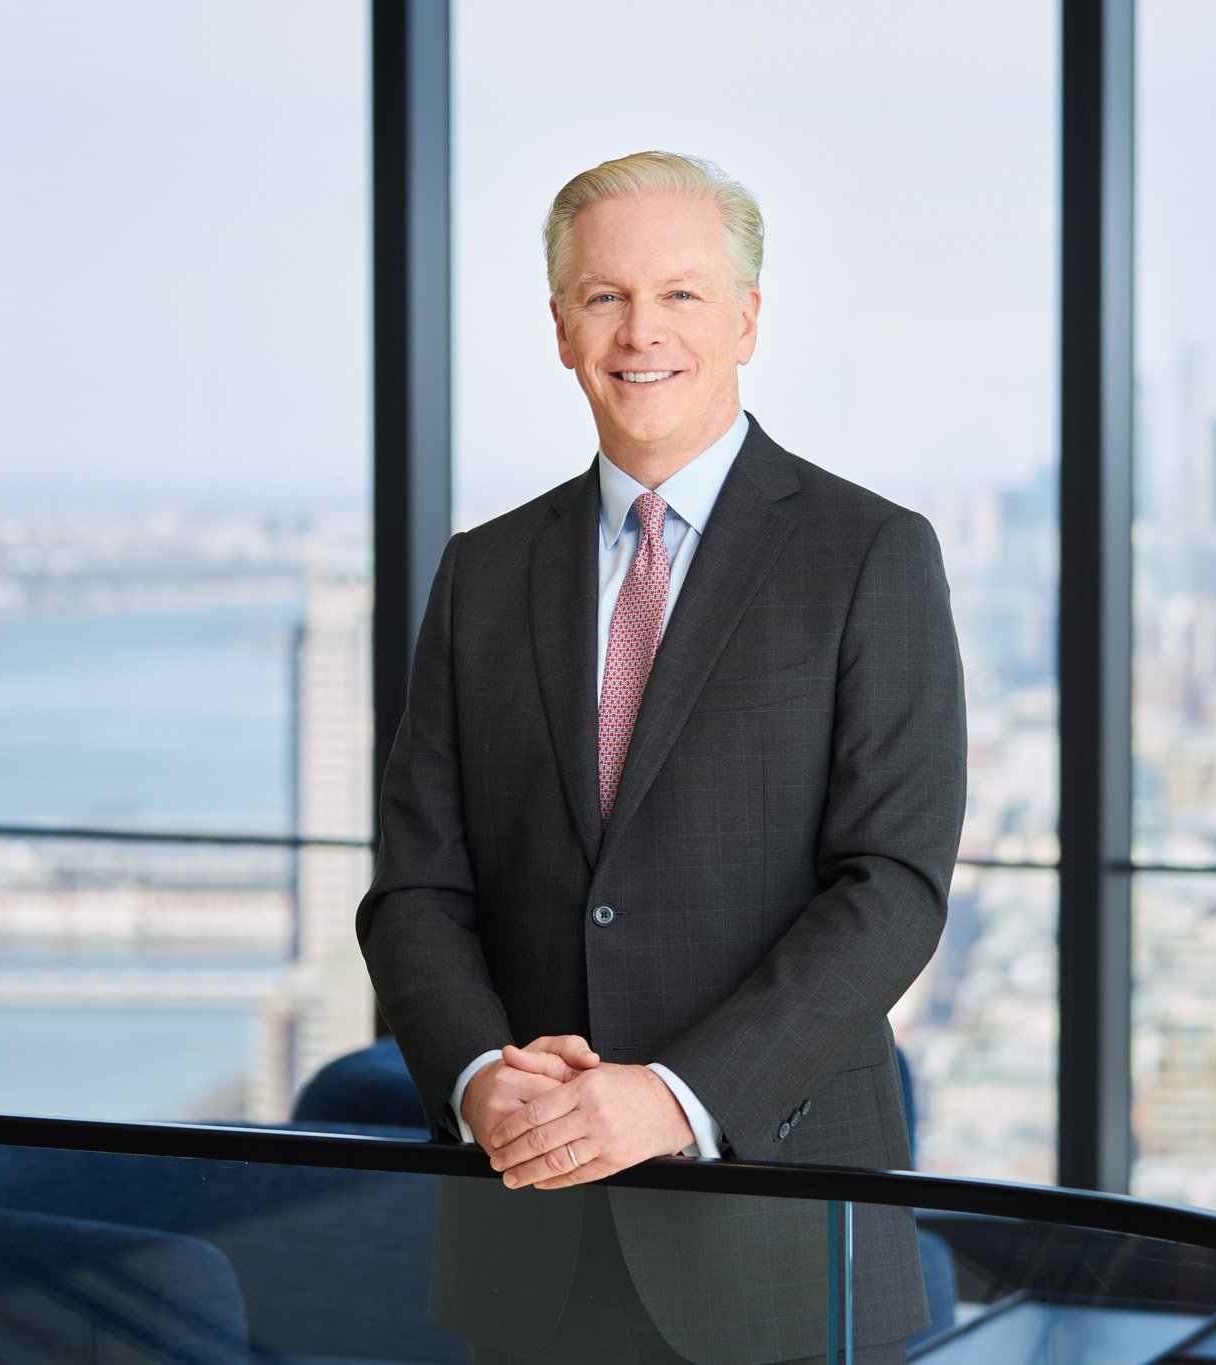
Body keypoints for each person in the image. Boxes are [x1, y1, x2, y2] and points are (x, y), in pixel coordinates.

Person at [357, 150, 965, 1365]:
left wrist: (674, 1095)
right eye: (603, 297)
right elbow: (417, 888)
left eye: (680, 295)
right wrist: (480, 1078)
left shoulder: (867, 555)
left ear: (745, 319)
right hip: (528, 1229)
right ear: (559, 329)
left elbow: (888, 890)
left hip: (780, 1237)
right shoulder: (483, 574)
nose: (641, 332)